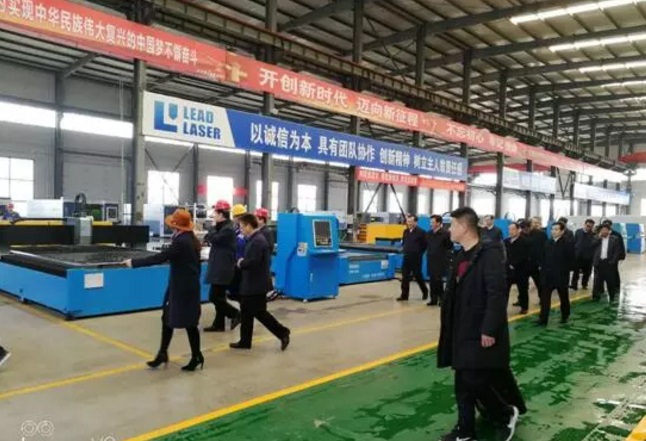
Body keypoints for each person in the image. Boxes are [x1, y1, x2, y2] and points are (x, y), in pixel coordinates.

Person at [438, 207, 522, 441]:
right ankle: (465, 430)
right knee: (462, 382)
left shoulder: (489, 255)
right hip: (460, 327)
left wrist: (489, 329)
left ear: (464, 228)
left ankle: (505, 412)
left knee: (473, 379)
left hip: (479, 329)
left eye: (452, 225)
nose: (449, 230)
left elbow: (496, 293)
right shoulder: (461, 256)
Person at [123, 209, 204, 371]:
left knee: (189, 323)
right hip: (182, 286)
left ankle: (196, 356)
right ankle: (163, 353)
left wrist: (133, 263)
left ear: (176, 226)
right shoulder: (189, 239)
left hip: (183, 289)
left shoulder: (182, 242)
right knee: (167, 318)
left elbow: (160, 258)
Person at [231, 213, 290, 350]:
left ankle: (282, 332)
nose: (240, 229)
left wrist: (241, 262)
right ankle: (245, 341)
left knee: (259, 313)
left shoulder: (257, 241)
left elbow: (253, 262)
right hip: (251, 282)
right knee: (246, 312)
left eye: (242, 226)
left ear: (249, 226)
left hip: (256, 284)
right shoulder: (253, 239)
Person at [203, 200, 241, 333]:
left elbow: (213, 238)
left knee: (214, 297)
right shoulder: (222, 227)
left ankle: (235, 314)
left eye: (215, 212)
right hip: (219, 266)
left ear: (221, 214)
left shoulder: (228, 229)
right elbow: (209, 237)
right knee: (219, 296)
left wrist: (211, 229)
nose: (213, 215)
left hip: (223, 268)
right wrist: (212, 231)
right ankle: (219, 324)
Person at [538, 222, 575, 327]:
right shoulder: (547, 243)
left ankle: (565, 315)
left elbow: (571, 260)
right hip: (547, 276)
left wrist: (564, 270)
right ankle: (543, 319)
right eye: (552, 229)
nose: (553, 231)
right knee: (545, 299)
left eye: (556, 229)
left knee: (563, 297)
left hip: (561, 276)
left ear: (562, 231)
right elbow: (542, 257)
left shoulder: (567, 244)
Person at [397, 214, 429, 302]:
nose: (409, 223)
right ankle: (404, 296)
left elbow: (425, 245)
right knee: (405, 276)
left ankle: (425, 291)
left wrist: (419, 253)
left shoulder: (421, 232)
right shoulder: (405, 231)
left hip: (416, 258)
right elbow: (404, 242)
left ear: (416, 222)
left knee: (418, 276)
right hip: (406, 257)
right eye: (408, 221)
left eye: (411, 222)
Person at [426, 215, 453, 307]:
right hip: (431, 260)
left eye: (433, 222)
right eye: (430, 222)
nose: (431, 224)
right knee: (432, 280)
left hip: (441, 260)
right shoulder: (428, 234)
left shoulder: (446, 234)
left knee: (439, 281)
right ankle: (433, 299)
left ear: (438, 223)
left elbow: (449, 246)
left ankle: (442, 299)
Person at [505, 222, 530, 314]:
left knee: (522, 289)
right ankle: (502, 308)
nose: (510, 231)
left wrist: (513, 264)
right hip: (508, 271)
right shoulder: (506, 241)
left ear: (518, 230)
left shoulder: (525, 242)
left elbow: (524, 256)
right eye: (509, 229)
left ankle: (524, 307)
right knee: (505, 291)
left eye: (513, 229)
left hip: (521, 270)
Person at [592, 224, 622, 302]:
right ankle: (595, 297)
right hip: (599, 263)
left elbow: (617, 252)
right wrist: (599, 238)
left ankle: (612, 297)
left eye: (605, 230)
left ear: (609, 231)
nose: (604, 231)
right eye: (602, 230)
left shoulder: (614, 239)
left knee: (610, 281)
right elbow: (592, 245)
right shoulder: (596, 238)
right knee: (597, 281)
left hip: (608, 263)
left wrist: (613, 261)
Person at [228, 204, 248, 301]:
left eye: (234, 216)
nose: (233, 219)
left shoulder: (246, 230)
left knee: (239, 290)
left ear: (239, 217)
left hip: (242, 264)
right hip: (235, 263)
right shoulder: (236, 229)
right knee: (234, 291)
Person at [570, 219, 596, 291]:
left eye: (591, 227)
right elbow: (574, 242)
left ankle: (584, 284)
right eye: (588, 226)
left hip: (588, 256)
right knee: (576, 271)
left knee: (587, 272)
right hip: (578, 255)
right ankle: (574, 285)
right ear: (584, 224)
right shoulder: (578, 232)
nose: (589, 228)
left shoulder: (593, 234)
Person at [601, 219, 626, 290]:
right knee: (601, 274)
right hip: (602, 258)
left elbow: (621, 246)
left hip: (613, 258)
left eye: (608, 225)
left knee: (614, 272)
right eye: (604, 225)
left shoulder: (617, 234)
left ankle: (616, 286)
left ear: (611, 226)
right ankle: (601, 288)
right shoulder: (600, 235)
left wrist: (621, 256)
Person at [525, 217, 547, 296]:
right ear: (530, 224)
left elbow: (545, 249)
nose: (536, 224)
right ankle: (522, 300)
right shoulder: (526, 234)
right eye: (534, 222)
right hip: (526, 263)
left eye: (537, 222)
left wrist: (542, 263)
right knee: (523, 284)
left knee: (540, 283)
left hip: (537, 263)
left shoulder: (543, 234)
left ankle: (542, 299)